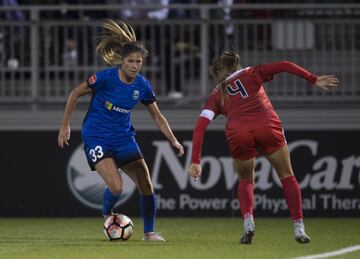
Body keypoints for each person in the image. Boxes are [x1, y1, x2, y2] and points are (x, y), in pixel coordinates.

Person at [187, 50, 339, 244]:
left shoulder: (216, 93)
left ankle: (248, 223)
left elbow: (200, 126)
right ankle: (299, 228)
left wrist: (195, 161)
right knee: (287, 175)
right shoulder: (251, 72)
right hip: (267, 125)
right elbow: (285, 64)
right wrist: (312, 78)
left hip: (238, 132)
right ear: (237, 64)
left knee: (245, 180)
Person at [58, 19, 184, 242]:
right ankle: (107, 213)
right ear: (121, 61)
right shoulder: (105, 78)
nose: (135, 66)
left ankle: (149, 233)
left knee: (146, 182)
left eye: (139, 61)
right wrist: (65, 125)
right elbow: (74, 94)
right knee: (117, 187)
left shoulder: (142, 85)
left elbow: (157, 115)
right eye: (131, 61)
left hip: (124, 137)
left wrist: (173, 140)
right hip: (96, 136)